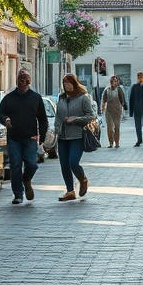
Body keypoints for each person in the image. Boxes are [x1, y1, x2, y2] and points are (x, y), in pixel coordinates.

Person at [0, 70, 48, 204]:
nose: (22, 82)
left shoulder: (36, 98)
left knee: (32, 164)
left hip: (30, 138)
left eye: (25, 80)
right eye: (20, 80)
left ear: (29, 82)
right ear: (17, 82)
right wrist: (5, 120)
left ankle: (26, 178)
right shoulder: (9, 98)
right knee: (15, 165)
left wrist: (41, 137)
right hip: (14, 138)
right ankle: (18, 194)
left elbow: (42, 118)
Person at [53, 73, 97, 201]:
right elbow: (58, 116)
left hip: (77, 135)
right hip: (62, 136)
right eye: (65, 84)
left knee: (73, 162)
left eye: (69, 83)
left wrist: (76, 119)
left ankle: (83, 179)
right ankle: (70, 191)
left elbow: (92, 115)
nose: (67, 86)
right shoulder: (61, 98)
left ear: (74, 83)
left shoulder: (83, 98)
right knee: (64, 164)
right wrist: (56, 130)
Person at [100, 75, 127, 149]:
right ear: (111, 82)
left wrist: (124, 108)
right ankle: (111, 142)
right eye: (114, 81)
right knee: (109, 128)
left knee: (117, 127)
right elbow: (104, 100)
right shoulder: (107, 90)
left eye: (116, 81)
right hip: (108, 111)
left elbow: (122, 100)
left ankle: (117, 143)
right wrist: (102, 108)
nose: (115, 82)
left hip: (117, 111)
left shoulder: (119, 89)